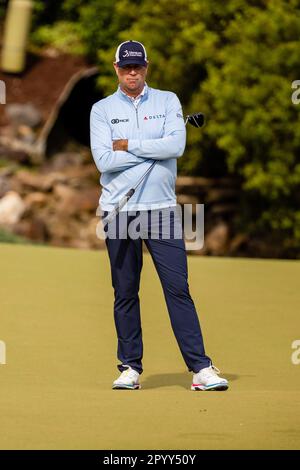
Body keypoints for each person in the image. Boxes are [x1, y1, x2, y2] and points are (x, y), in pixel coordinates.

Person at [90, 40, 228, 391]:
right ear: (115, 68)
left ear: (146, 67)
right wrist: (155, 147)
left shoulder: (168, 101)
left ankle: (200, 368)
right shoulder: (101, 110)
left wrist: (128, 144)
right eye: (125, 67)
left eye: (137, 66)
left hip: (160, 212)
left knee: (177, 288)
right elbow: (104, 161)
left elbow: (176, 146)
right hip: (119, 210)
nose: (131, 72)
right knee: (125, 291)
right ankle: (130, 368)